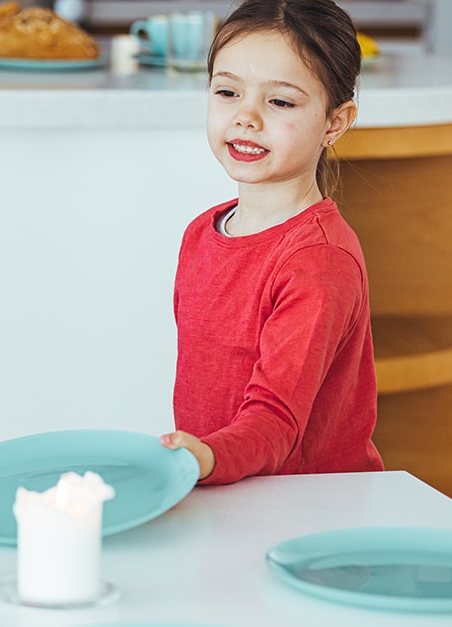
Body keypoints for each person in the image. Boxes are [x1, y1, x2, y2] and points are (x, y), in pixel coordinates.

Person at [159, 0, 384, 484]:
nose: (246, 117)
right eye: (226, 92)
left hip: (305, 509)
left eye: (279, 101)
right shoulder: (201, 233)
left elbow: (275, 423)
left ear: (335, 122)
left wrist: (203, 460)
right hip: (228, 489)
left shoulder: (318, 261)